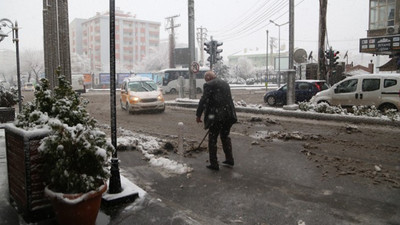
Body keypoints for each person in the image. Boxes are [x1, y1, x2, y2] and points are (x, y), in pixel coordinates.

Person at [196, 71, 237, 171]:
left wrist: (198, 115)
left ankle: (214, 164)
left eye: (206, 79)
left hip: (217, 116)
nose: (206, 81)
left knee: (213, 139)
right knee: (225, 136)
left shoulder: (208, 85)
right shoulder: (225, 83)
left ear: (208, 78)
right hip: (229, 115)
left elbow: (203, 100)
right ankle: (229, 159)